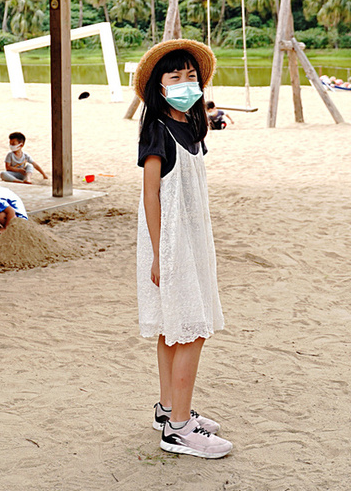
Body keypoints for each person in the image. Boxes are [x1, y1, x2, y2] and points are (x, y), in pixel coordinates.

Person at [134, 39, 231, 460]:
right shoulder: (157, 130)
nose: (185, 82)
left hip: (192, 240)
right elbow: (150, 196)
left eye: (191, 75)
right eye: (175, 76)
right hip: (170, 244)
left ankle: (169, 409)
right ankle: (178, 428)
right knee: (191, 329)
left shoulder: (190, 127)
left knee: (174, 329)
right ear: (159, 86)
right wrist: (159, 253)